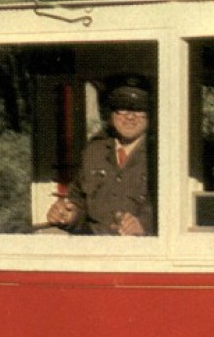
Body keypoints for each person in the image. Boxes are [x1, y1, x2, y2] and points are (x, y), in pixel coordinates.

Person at [46, 74, 154, 235]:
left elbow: (175, 211)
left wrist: (143, 225)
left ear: (151, 114)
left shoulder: (161, 154)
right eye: (122, 107)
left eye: (139, 109)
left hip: (145, 252)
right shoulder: (93, 152)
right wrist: (71, 215)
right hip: (97, 248)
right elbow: (79, 201)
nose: (130, 116)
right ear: (111, 112)